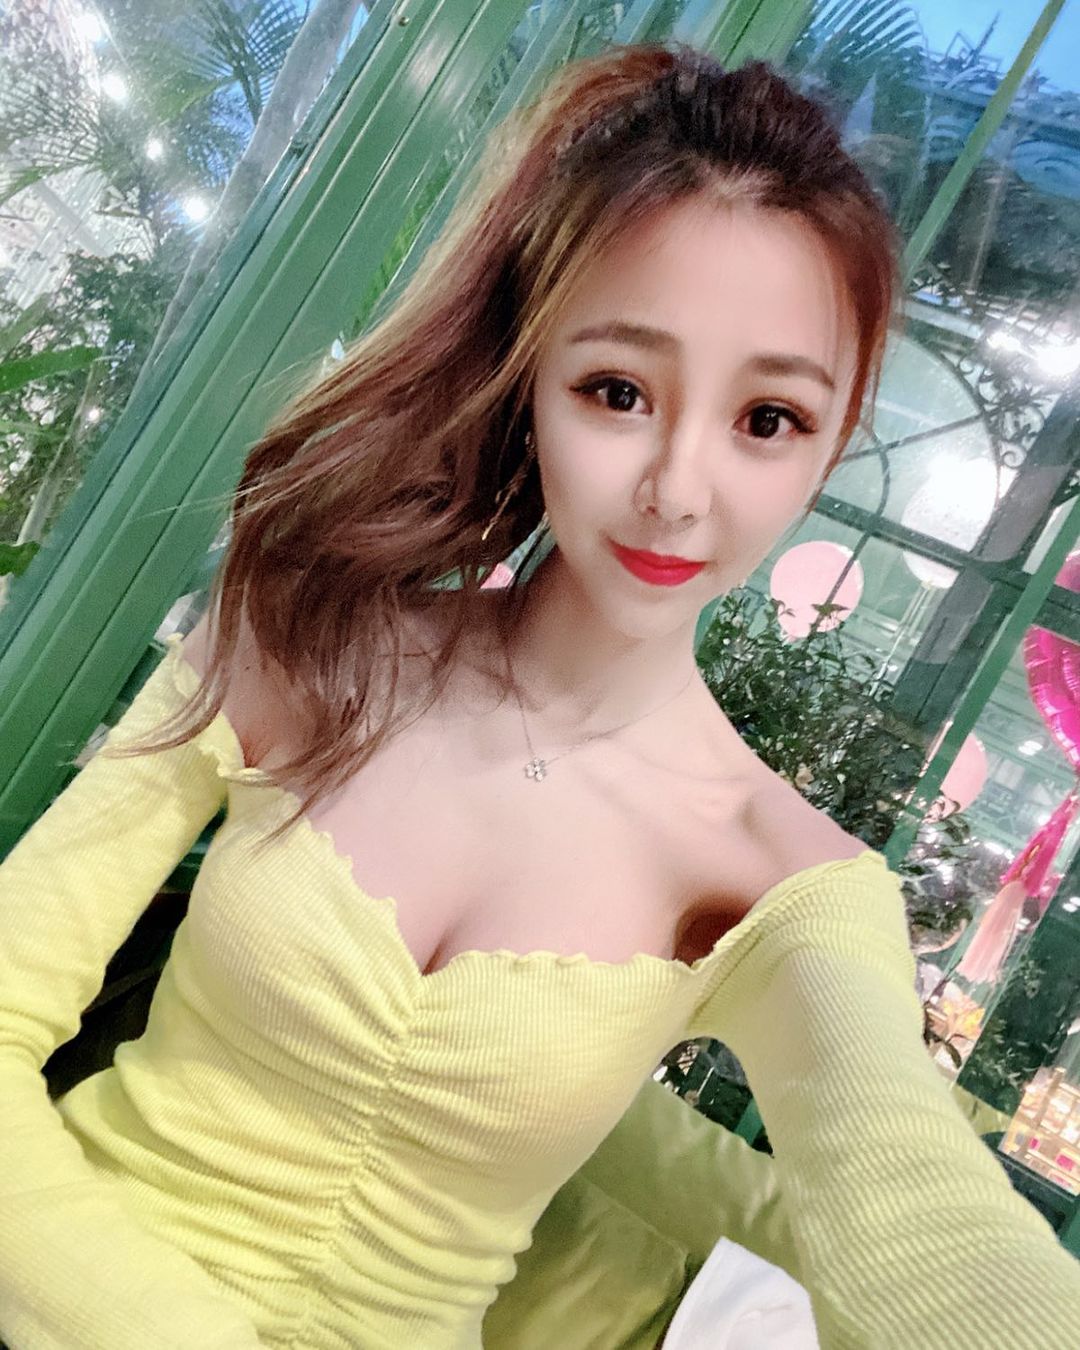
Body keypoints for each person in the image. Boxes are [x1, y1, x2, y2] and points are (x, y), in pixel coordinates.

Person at [1, 41, 1078, 1350]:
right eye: (618, 391)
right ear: (530, 376)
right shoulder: (305, 629)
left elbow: (919, 1208)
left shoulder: (785, 881)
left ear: (831, 443)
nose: (678, 490)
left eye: (768, 419)